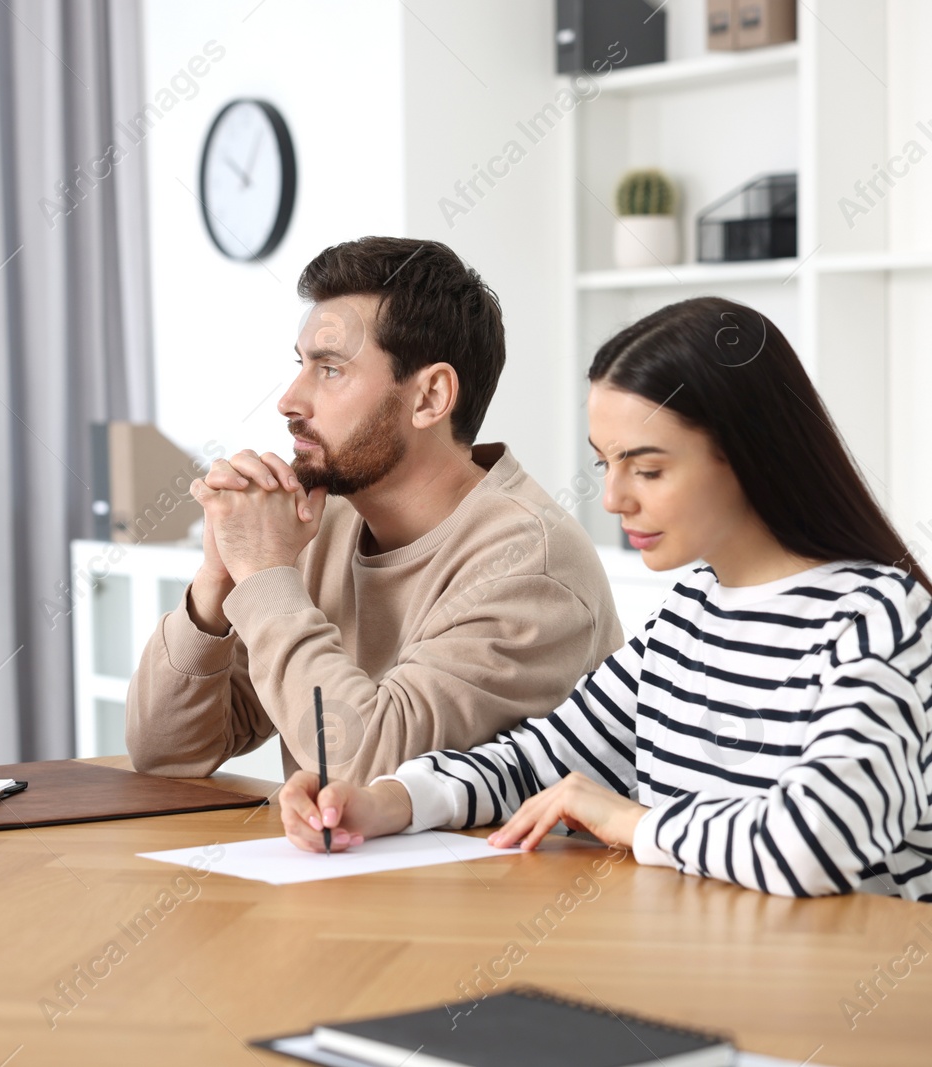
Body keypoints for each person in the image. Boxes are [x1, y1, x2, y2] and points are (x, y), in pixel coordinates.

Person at [280, 296, 932, 903]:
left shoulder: (879, 619)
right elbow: (539, 760)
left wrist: (629, 820)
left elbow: (816, 842)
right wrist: (388, 800)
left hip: (846, 1000)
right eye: (605, 464)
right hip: (715, 967)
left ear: (751, 455)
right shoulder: (688, 618)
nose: (615, 498)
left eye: (647, 469)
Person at [126, 237, 623, 784]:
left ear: (430, 397)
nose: (289, 400)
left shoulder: (530, 566)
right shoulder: (318, 526)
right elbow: (164, 752)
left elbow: (372, 774)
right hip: (340, 868)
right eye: (301, 365)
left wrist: (267, 575)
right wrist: (218, 581)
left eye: (330, 369)